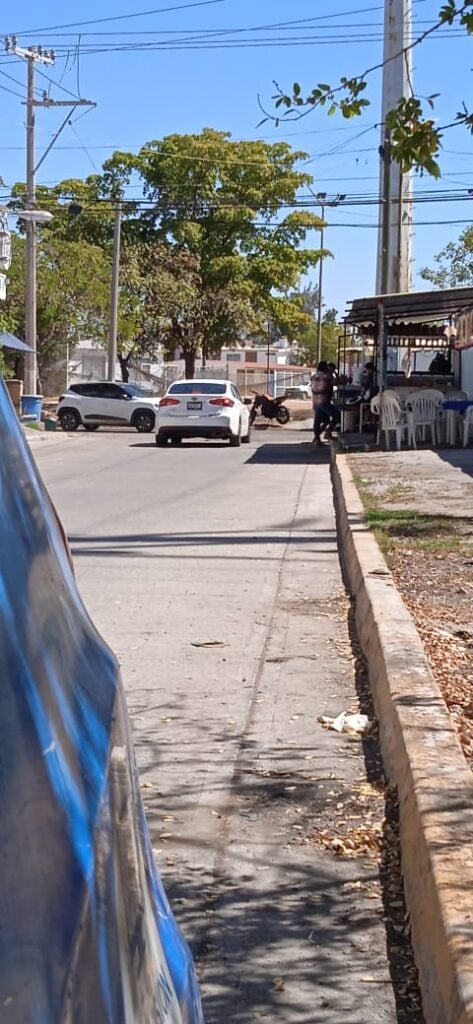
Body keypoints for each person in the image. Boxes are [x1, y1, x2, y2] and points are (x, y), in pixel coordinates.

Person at [311, 360, 339, 447]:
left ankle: (317, 438)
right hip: (324, 401)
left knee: (319, 421)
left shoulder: (313, 377)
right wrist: (334, 373)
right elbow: (336, 382)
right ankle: (328, 432)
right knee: (337, 415)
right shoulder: (326, 377)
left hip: (315, 401)